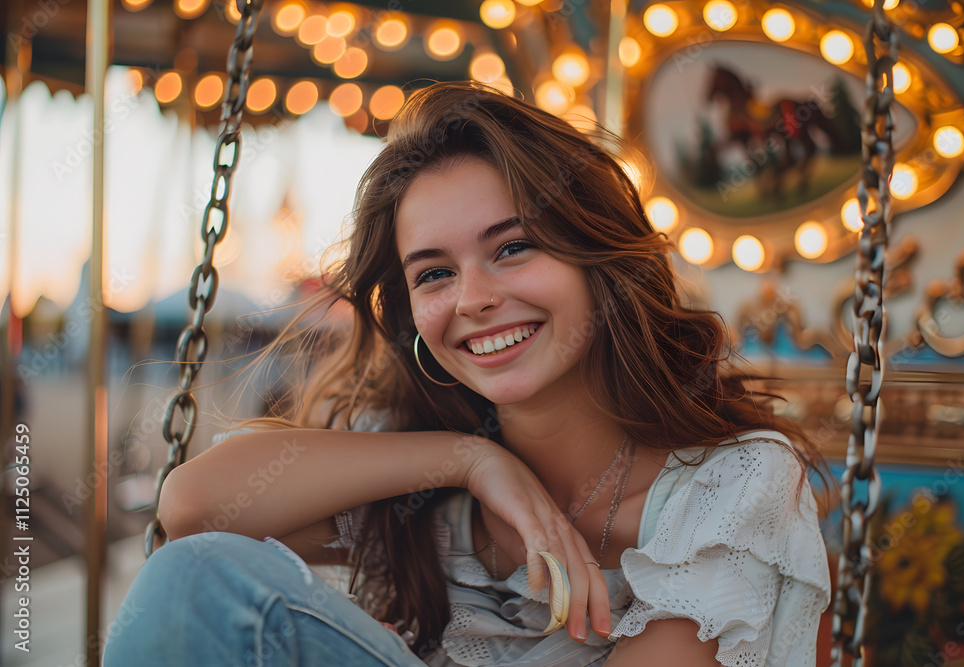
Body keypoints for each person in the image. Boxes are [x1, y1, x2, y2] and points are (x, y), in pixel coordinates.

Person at [104, 80, 831, 667]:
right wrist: (469, 460)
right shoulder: (429, 482)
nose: (474, 299)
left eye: (512, 249)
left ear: (598, 262)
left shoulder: (732, 489)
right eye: (435, 273)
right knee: (190, 582)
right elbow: (193, 507)